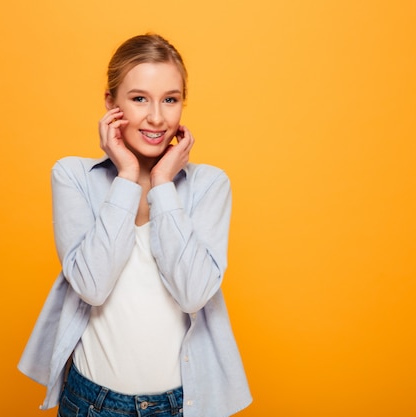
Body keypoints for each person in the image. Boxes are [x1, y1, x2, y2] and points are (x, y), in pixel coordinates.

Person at [18, 33, 252, 417]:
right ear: (111, 104)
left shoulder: (210, 184)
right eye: (139, 98)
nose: (157, 117)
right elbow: (92, 287)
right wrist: (126, 176)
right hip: (92, 402)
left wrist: (162, 186)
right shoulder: (73, 176)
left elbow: (194, 295)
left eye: (170, 99)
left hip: (179, 405)